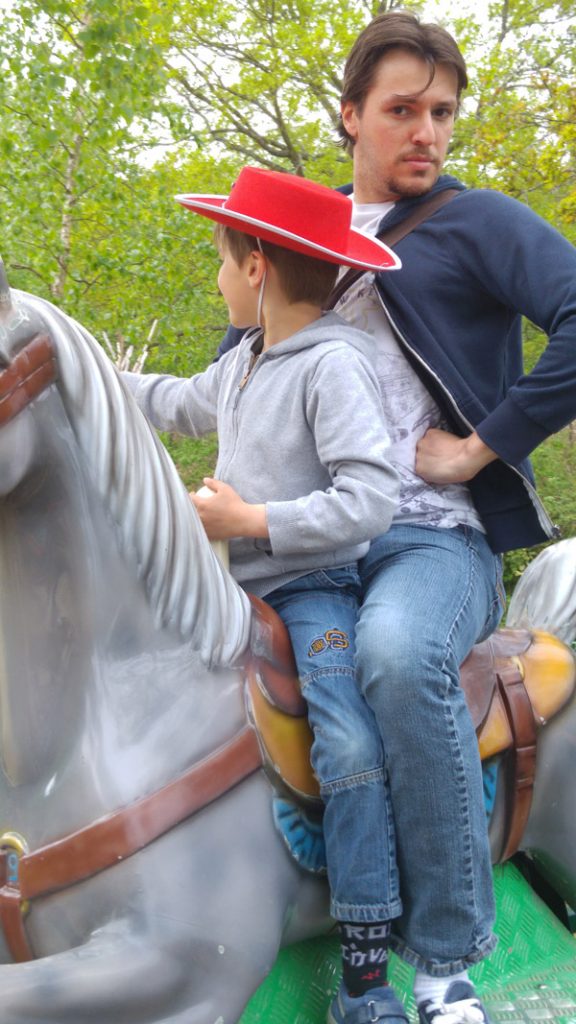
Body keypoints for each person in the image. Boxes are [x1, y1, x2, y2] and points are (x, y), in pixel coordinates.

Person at [216, 12, 576, 1024]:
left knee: (396, 655)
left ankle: (445, 962)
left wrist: (480, 445)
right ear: (351, 117)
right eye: (401, 110)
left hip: (434, 541)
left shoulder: (480, 223)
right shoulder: (297, 227)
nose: (426, 131)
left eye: (443, 113)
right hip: (303, 533)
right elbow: (235, 371)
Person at [121, 163, 401, 914]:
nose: (218, 278)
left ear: (255, 265)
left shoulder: (335, 366)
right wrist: (93, 375)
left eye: (221, 259)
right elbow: (179, 402)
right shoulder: (244, 359)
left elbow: (371, 499)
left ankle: (367, 937)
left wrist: (250, 522)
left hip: (313, 593)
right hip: (231, 592)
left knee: (345, 741)